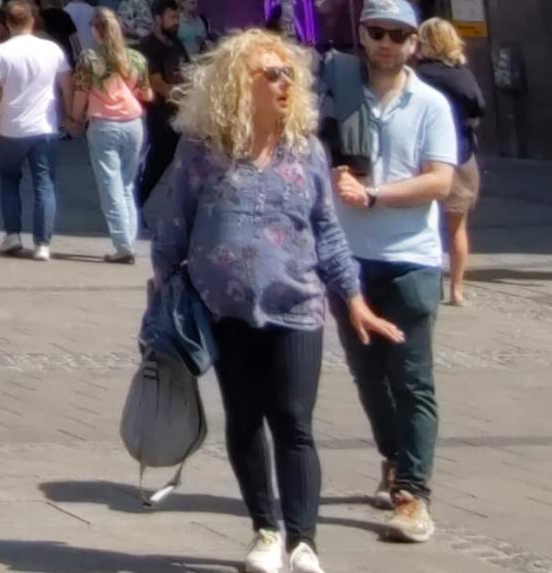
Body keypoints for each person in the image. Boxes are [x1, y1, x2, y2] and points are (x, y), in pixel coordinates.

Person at [143, 28, 401, 573]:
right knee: (243, 418)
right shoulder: (202, 152)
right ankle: (264, 530)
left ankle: (303, 542)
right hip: (224, 310)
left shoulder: (305, 150)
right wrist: (164, 300)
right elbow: (171, 229)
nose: (285, 83)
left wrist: (353, 299)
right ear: (240, 82)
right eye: (272, 74)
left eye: (290, 74)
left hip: (297, 305)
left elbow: (328, 233)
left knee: (293, 420)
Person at [327, 0, 459, 545]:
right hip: (348, 259)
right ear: (363, 34)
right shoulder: (336, 99)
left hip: (411, 261)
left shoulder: (430, 104)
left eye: (396, 35)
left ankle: (413, 494)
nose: (384, 43)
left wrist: (374, 195)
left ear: (413, 45)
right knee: (367, 375)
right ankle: (392, 457)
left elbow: (439, 182)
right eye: (376, 32)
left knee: (411, 378)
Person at [0, 0, 68, 261]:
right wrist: (72, 114)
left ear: (7, 23)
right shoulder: (52, 50)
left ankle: (12, 235)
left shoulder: (0, 52)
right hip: (45, 127)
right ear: (33, 20)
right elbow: (67, 83)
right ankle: (43, 243)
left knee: (9, 180)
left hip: (11, 127)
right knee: (44, 184)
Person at [408, 21, 487, 306]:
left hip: (419, 157)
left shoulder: (415, 75)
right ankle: (456, 288)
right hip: (459, 154)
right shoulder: (460, 75)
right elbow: (479, 105)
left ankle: (424, 284)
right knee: (456, 227)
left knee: (418, 224)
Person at [70, 9, 154, 264]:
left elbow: (81, 93)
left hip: (104, 125)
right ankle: (129, 240)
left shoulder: (89, 58)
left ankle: (122, 245)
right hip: (134, 123)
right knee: (128, 184)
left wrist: (75, 117)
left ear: (96, 30)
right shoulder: (136, 58)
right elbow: (148, 94)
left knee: (110, 186)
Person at [140, 0, 195, 194]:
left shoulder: (176, 42)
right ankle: (137, 201)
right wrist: (181, 98)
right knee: (158, 162)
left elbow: (187, 72)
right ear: (157, 18)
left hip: (181, 112)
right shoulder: (148, 44)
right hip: (160, 114)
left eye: (177, 16)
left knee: (184, 163)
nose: (177, 21)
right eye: (172, 17)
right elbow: (157, 83)